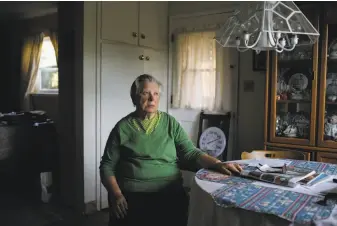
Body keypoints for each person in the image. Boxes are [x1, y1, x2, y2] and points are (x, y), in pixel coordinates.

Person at [99, 74, 242, 226]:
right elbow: (107, 166)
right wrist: (116, 194)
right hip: (133, 195)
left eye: (156, 94)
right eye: (145, 93)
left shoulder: (170, 123)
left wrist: (218, 164)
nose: (152, 99)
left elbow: (191, 152)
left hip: (169, 193)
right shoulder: (122, 128)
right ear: (135, 98)